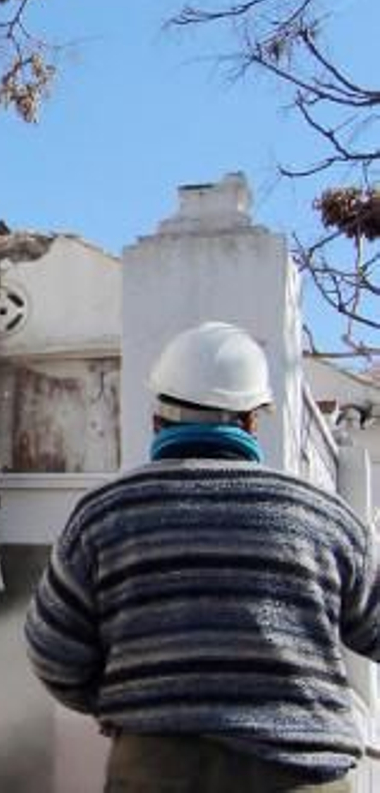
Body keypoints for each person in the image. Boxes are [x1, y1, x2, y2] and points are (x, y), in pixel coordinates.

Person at [25, 320, 380, 791]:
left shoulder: (105, 516)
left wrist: (134, 701)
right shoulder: (324, 518)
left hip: (157, 770)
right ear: (253, 420)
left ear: (157, 420)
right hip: (301, 775)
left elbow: (52, 653)